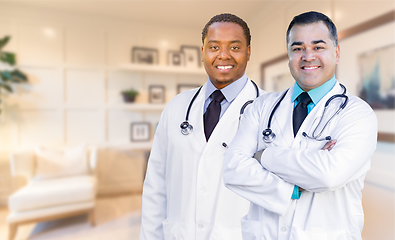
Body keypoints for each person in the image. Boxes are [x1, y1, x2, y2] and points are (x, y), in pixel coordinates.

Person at [223, 11, 377, 240]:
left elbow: (329, 175)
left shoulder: (357, 114)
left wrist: (264, 156)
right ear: (289, 55)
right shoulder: (261, 107)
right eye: (298, 48)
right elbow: (232, 169)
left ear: (336, 53)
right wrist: (292, 189)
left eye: (318, 47)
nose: (307, 56)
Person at [140, 13, 264, 240]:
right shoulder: (176, 108)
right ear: (202, 52)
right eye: (214, 47)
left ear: (248, 52)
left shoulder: (271, 112)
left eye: (234, 47)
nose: (223, 56)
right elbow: (156, 187)